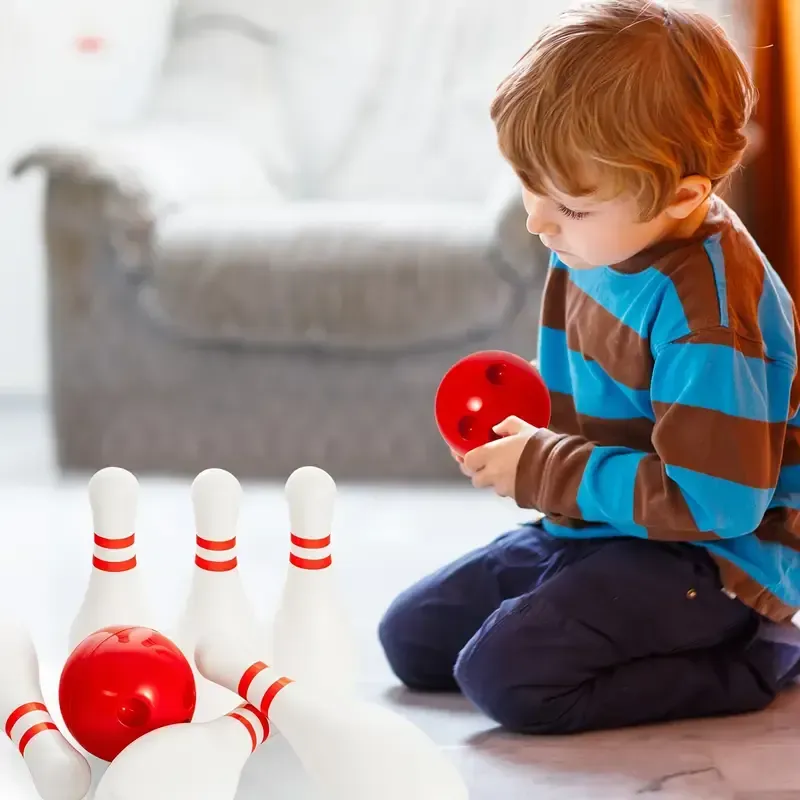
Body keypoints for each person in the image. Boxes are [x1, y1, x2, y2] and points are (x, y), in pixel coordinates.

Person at [378, 0, 800, 734]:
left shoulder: (712, 318)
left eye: (568, 206)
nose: (537, 221)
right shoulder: (598, 239)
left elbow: (716, 505)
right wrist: (518, 432)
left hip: (713, 563)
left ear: (684, 196)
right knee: (412, 640)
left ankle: (759, 657)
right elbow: (608, 389)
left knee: (505, 678)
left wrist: (544, 467)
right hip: (604, 526)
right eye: (529, 185)